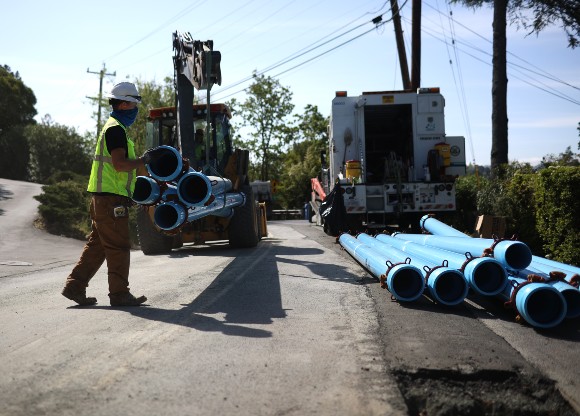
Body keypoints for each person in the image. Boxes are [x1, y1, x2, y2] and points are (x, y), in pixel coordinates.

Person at [62, 82, 155, 307]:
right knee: (119, 246)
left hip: (103, 199)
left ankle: (74, 287)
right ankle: (119, 294)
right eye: (134, 105)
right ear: (123, 104)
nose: (136, 110)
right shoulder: (115, 130)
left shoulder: (113, 127)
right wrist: (144, 160)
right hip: (110, 200)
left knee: (99, 245)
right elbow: (120, 164)